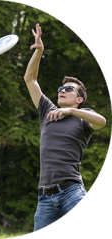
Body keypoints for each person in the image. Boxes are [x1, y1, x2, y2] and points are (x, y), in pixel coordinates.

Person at [24, 23, 106, 232]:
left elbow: (101, 122)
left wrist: (71, 112)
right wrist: (39, 51)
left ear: (79, 99)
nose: (62, 90)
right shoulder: (47, 110)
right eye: (61, 88)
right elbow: (30, 79)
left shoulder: (83, 117)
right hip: (44, 197)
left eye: (68, 89)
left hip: (71, 192)